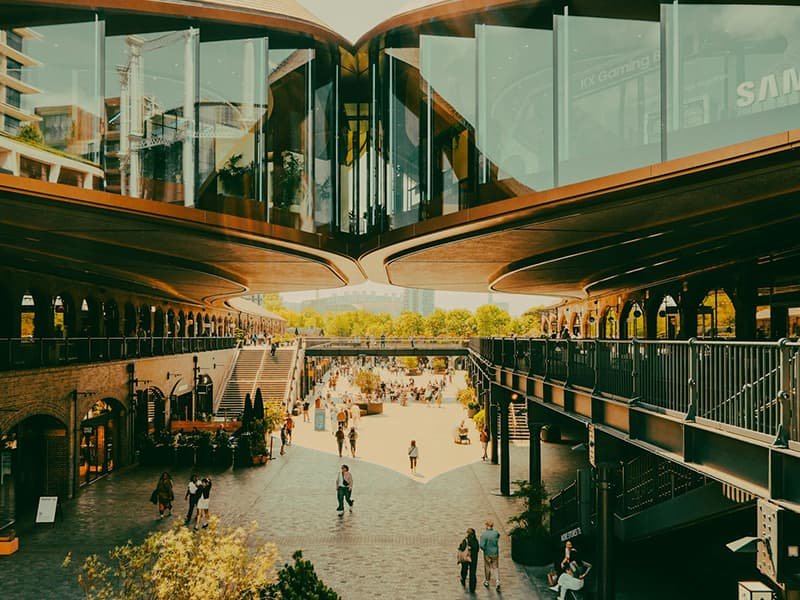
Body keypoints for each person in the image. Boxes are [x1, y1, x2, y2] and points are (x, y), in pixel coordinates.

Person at [479, 520, 501, 591]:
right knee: (495, 567)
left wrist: (484, 549)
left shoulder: (484, 534)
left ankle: (487, 581)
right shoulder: (495, 533)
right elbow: (498, 536)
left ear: (486, 526)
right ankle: (497, 581)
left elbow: (482, 545)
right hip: (495, 552)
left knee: (487, 566)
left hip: (487, 553)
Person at [458, 527, 480, 593]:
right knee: (472, 572)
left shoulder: (465, 540)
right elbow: (477, 549)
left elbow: (461, 548)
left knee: (464, 569)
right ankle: (472, 587)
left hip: (465, 557)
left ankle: (463, 578)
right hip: (473, 559)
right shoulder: (475, 541)